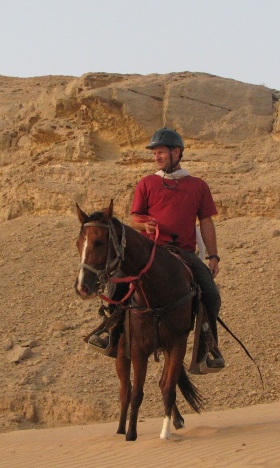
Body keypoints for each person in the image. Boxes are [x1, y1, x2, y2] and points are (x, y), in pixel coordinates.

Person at [87, 127, 225, 371]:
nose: (156, 157)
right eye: (154, 154)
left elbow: (205, 222)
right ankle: (110, 330)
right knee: (117, 282)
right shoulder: (147, 183)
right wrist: (144, 223)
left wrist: (213, 256)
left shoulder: (198, 186)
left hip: (182, 252)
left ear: (177, 152)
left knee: (211, 295)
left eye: (160, 152)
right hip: (150, 251)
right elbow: (133, 218)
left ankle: (208, 346)